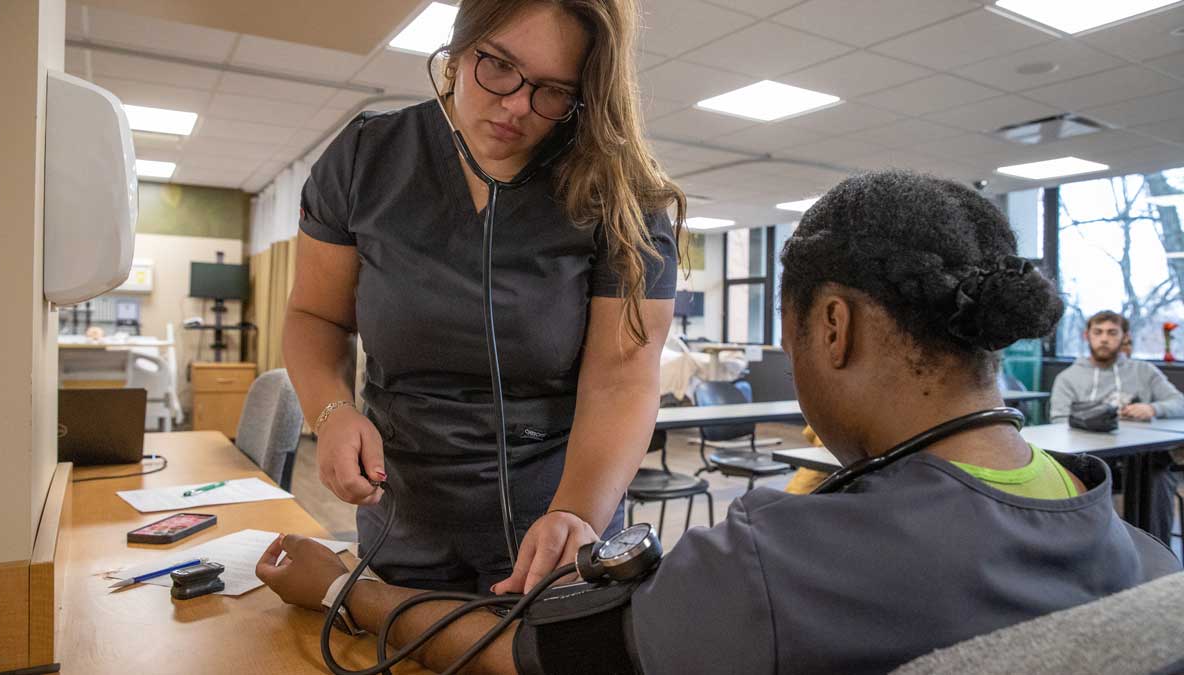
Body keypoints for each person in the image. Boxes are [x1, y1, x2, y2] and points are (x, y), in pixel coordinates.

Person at [259, 170, 1179, 674]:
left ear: (831, 326)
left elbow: (529, 652)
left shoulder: (784, 565)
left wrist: (344, 590)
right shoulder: (1143, 559)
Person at [283, 0, 684, 595]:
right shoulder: (366, 159)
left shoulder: (619, 194)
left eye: (554, 91)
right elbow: (314, 315)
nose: (518, 105)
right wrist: (331, 410)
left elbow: (623, 378)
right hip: (402, 509)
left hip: (554, 520)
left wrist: (576, 512)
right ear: (457, 50)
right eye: (497, 66)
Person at [1050, 309, 1184, 543]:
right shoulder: (1068, 378)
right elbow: (1058, 421)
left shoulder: (1144, 372)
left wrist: (1152, 409)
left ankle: (1157, 554)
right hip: (1090, 460)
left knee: (1157, 476)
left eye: (1112, 333)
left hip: (1143, 459)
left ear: (1124, 337)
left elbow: (1179, 403)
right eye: (1098, 332)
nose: (1104, 338)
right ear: (1087, 336)